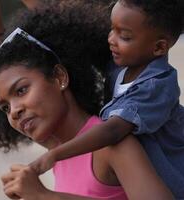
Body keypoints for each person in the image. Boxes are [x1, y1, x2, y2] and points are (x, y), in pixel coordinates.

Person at [0, 5, 173, 199]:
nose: (13, 111)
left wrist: (44, 195)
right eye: (5, 107)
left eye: (21, 90)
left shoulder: (112, 144)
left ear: (59, 77)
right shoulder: (56, 149)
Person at [30, 0, 184, 198]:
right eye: (112, 29)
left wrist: (55, 155)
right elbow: (64, 31)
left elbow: (112, 131)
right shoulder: (123, 65)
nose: (111, 39)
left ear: (159, 47)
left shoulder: (157, 86)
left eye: (124, 36)